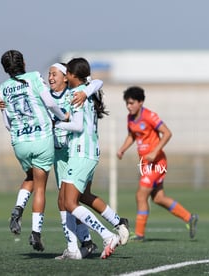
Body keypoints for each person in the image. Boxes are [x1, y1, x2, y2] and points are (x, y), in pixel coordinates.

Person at [0, 49, 68, 252]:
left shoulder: (3, 88)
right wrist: (63, 117)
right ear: (24, 62)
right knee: (40, 187)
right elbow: (50, 102)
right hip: (41, 139)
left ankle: (18, 208)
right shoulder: (35, 77)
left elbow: (7, 124)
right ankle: (36, 233)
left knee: (30, 176)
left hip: (20, 142)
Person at [55, 57, 123, 260]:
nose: (65, 76)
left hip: (81, 153)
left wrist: (55, 125)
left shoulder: (77, 93)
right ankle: (77, 247)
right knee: (69, 200)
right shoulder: (87, 90)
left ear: (74, 76)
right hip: (86, 152)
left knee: (69, 202)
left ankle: (108, 235)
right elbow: (96, 82)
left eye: (67, 73)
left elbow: (77, 126)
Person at [116, 86, 198, 241]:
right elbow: (132, 136)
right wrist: (122, 149)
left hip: (157, 163)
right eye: (127, 103)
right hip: (146, 164)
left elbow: (167, 133)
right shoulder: (130, 118)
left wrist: (155, 152)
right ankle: (189, 217)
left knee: (141, 195)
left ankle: (139, 234)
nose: (129, 106)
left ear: (140, 102)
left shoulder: (150, 116)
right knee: (158, 198)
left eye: (132, 103)